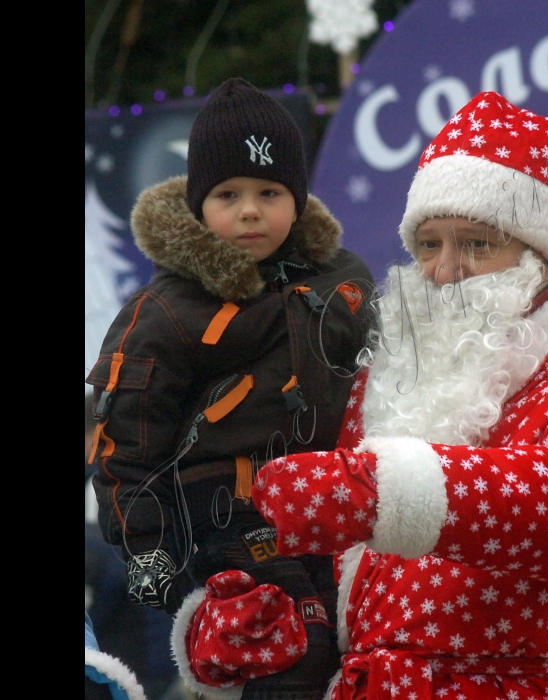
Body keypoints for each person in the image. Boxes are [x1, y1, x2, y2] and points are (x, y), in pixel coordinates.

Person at [246, 91, 548, 699]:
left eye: (476, 243)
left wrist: (384, 490)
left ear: (539, 257)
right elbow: (338, 563)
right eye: (428, 243)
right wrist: (267, 624)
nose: (444, 270)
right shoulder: (387, 374)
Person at [86, 77, 375, 700]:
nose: (250, 210)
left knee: (354, 650)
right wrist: (148, 551)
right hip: (225, 510)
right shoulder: (169, 309)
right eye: (228, 193)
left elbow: (393, 381)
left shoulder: (340, 285)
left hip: (327, 508)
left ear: (297, 199)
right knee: (288, 646)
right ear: (198, 205)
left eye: (270, 192)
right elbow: (122, 438)